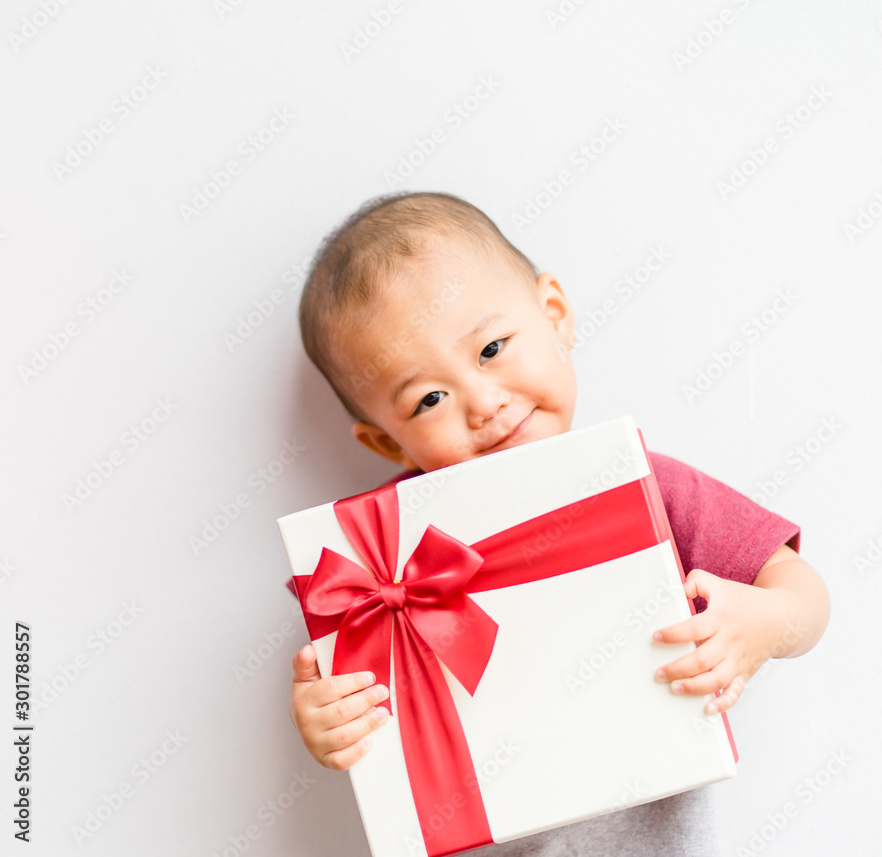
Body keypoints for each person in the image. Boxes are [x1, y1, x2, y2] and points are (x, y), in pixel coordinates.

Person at [286, 191, 830, 856]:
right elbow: (360, 708)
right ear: (388, 443)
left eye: (491, 347)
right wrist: (327, 722)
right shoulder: (383, 559)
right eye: (429, 398)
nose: (485, 403)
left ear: (555, 315)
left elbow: (803, 591)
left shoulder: (646, 483)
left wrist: (763, 625)